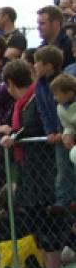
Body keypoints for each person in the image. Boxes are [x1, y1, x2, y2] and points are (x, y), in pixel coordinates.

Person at [0, 60, 68, 268]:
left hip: (43, 173)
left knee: (49, 223)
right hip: (31, 172)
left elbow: (34, 126)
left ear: (9, 83)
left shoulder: (35, 100)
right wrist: (13, 132)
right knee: (40, 223)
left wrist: (14, 135)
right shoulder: (24, 104)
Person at [33, 46, 75, 212]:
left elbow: (66, 111)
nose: (34, 66)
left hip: (66, 132)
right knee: (62, 169)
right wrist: (50, 131)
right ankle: (63, 200)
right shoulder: (40, 85)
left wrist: (63, 131)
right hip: (58, 134)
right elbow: (43, 110)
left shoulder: (63, 83)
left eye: (38, 62)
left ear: (49, 65)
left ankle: (70, 199)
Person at [49, 74, 76, 190]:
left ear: (69, 93)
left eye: (57, 94)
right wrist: (67, 134)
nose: (55, 98)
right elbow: (68, 125)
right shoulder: (60, 108)